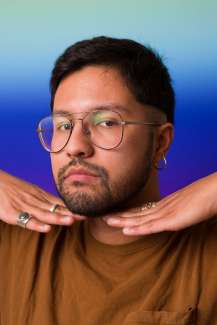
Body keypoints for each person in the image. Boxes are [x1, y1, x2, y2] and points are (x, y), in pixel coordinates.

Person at [0, 36, 216, 324]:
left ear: (160, 142)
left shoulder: (207, 251)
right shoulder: (14, 240)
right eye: (64, 124)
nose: (75, 146)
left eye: (106, 122)